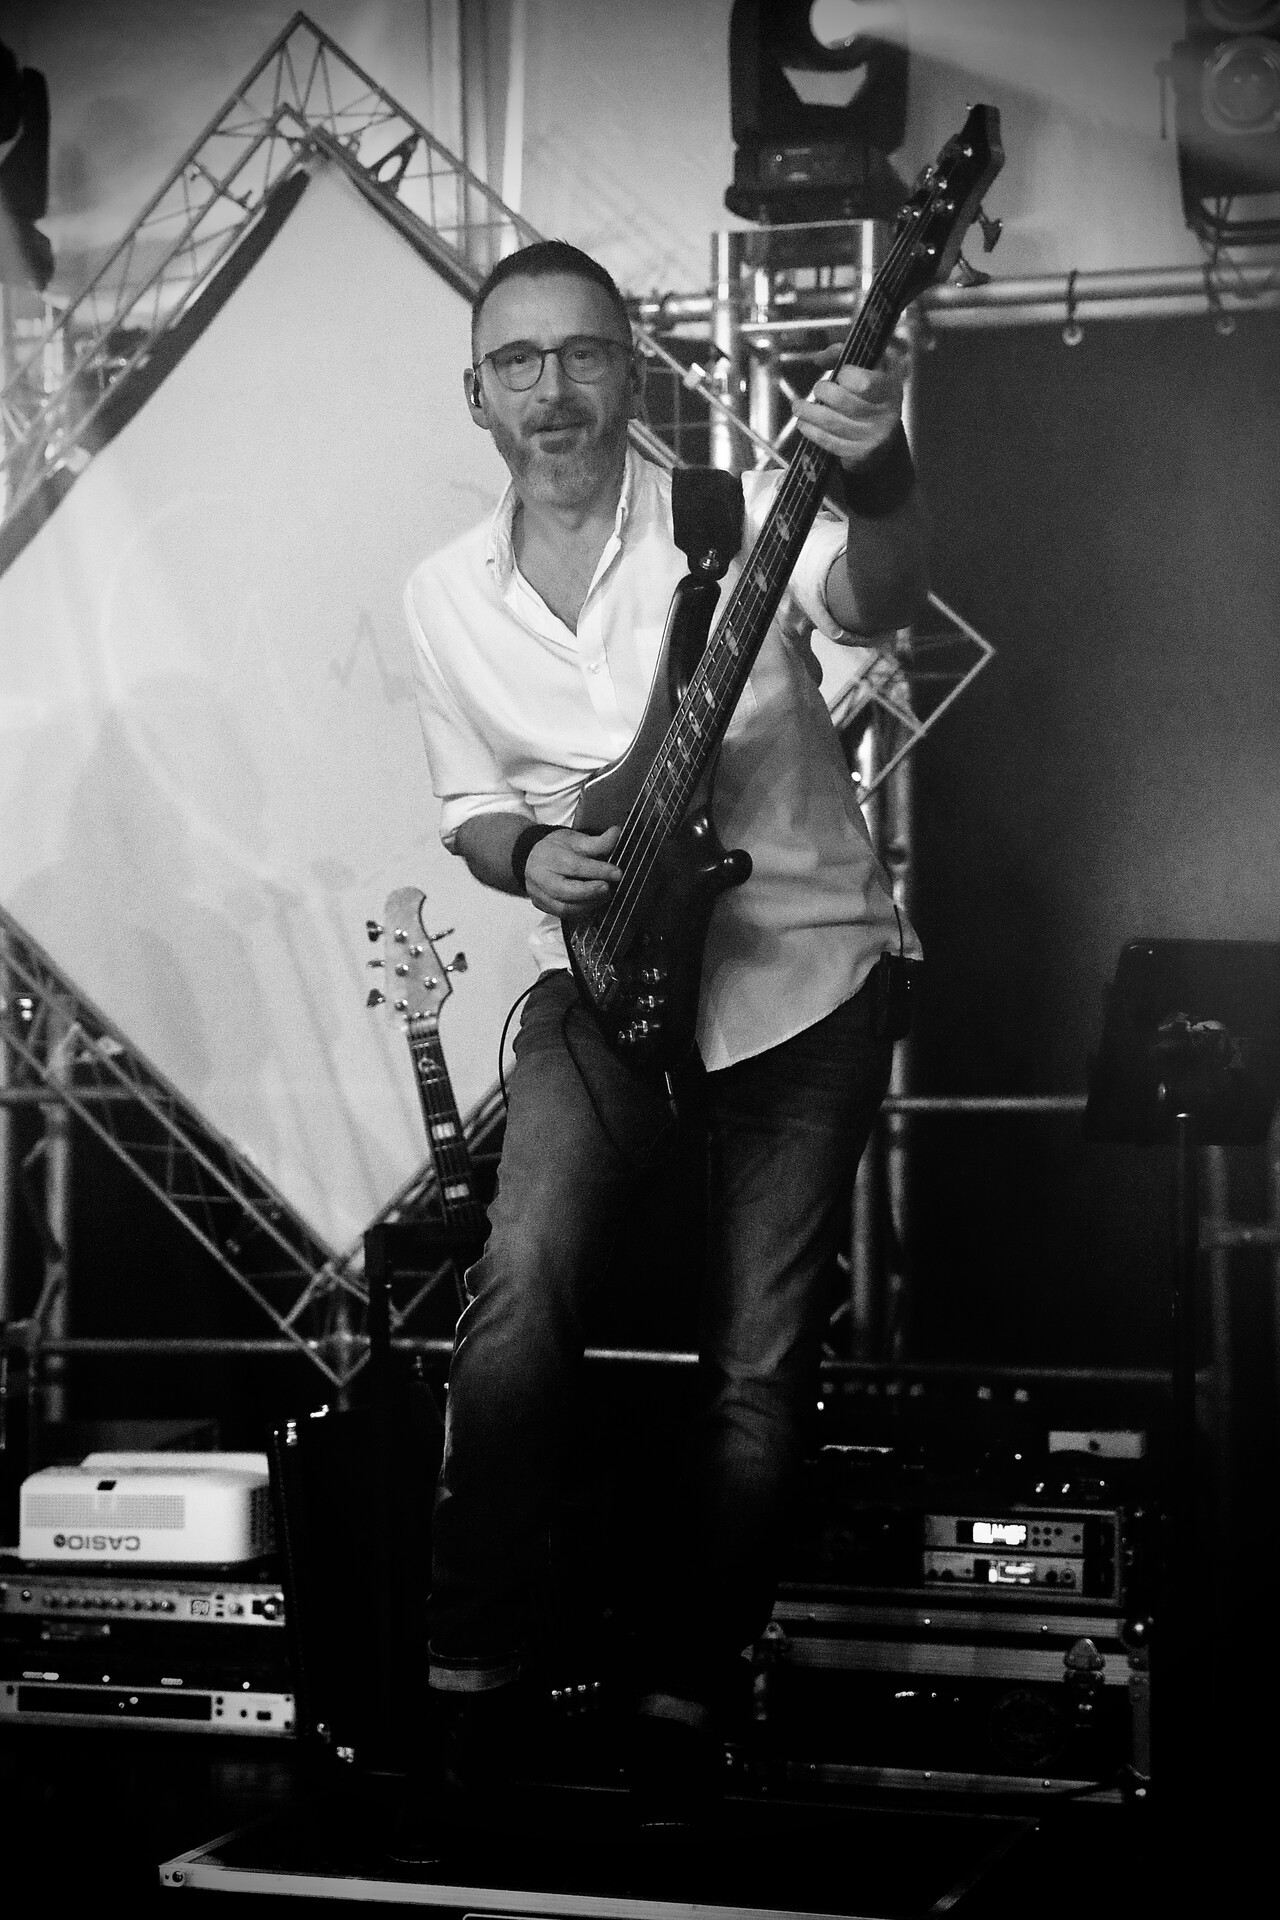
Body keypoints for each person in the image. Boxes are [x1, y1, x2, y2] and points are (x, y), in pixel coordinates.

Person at [404, 238, 927, 1819]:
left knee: (757, 1367)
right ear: (476, 396)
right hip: (605, 982)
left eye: (582, 354)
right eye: (517, 362)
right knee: (519, 1292)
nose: (551, 389)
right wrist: (525, 855)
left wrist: (882, 473)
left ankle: (684, 1694)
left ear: (631, 370)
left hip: (800, 975)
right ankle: (474, 1679)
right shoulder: (443, 593)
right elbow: (469, 802)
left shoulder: (730, 514)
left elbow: (874, 594)